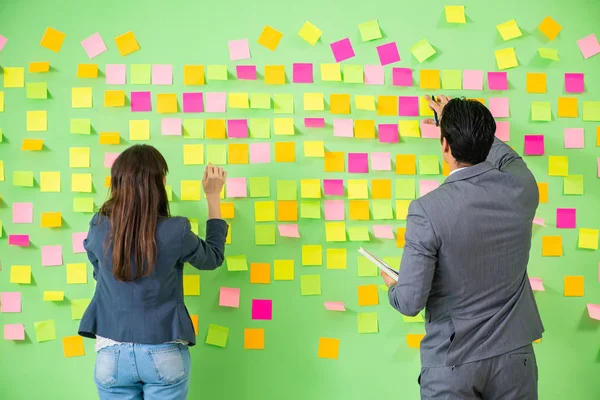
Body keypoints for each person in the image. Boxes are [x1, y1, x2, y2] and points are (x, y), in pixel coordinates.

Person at [381, 96, 544, 399]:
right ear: (487, 137)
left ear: (445, 145)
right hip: (514, 362)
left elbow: (410, 302)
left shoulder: (427, 210)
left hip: (451, 365)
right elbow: (507, 159)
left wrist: (394, 285)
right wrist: (463, 125)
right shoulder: (522, 188)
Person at [78, 144, 228, 400]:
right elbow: (213, 257)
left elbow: (98, 271)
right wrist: (213, 197)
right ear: (159, 183)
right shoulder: (176, 231)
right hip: (164, 353)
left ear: (117, 183)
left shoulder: (98, 225)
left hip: (111, 355)